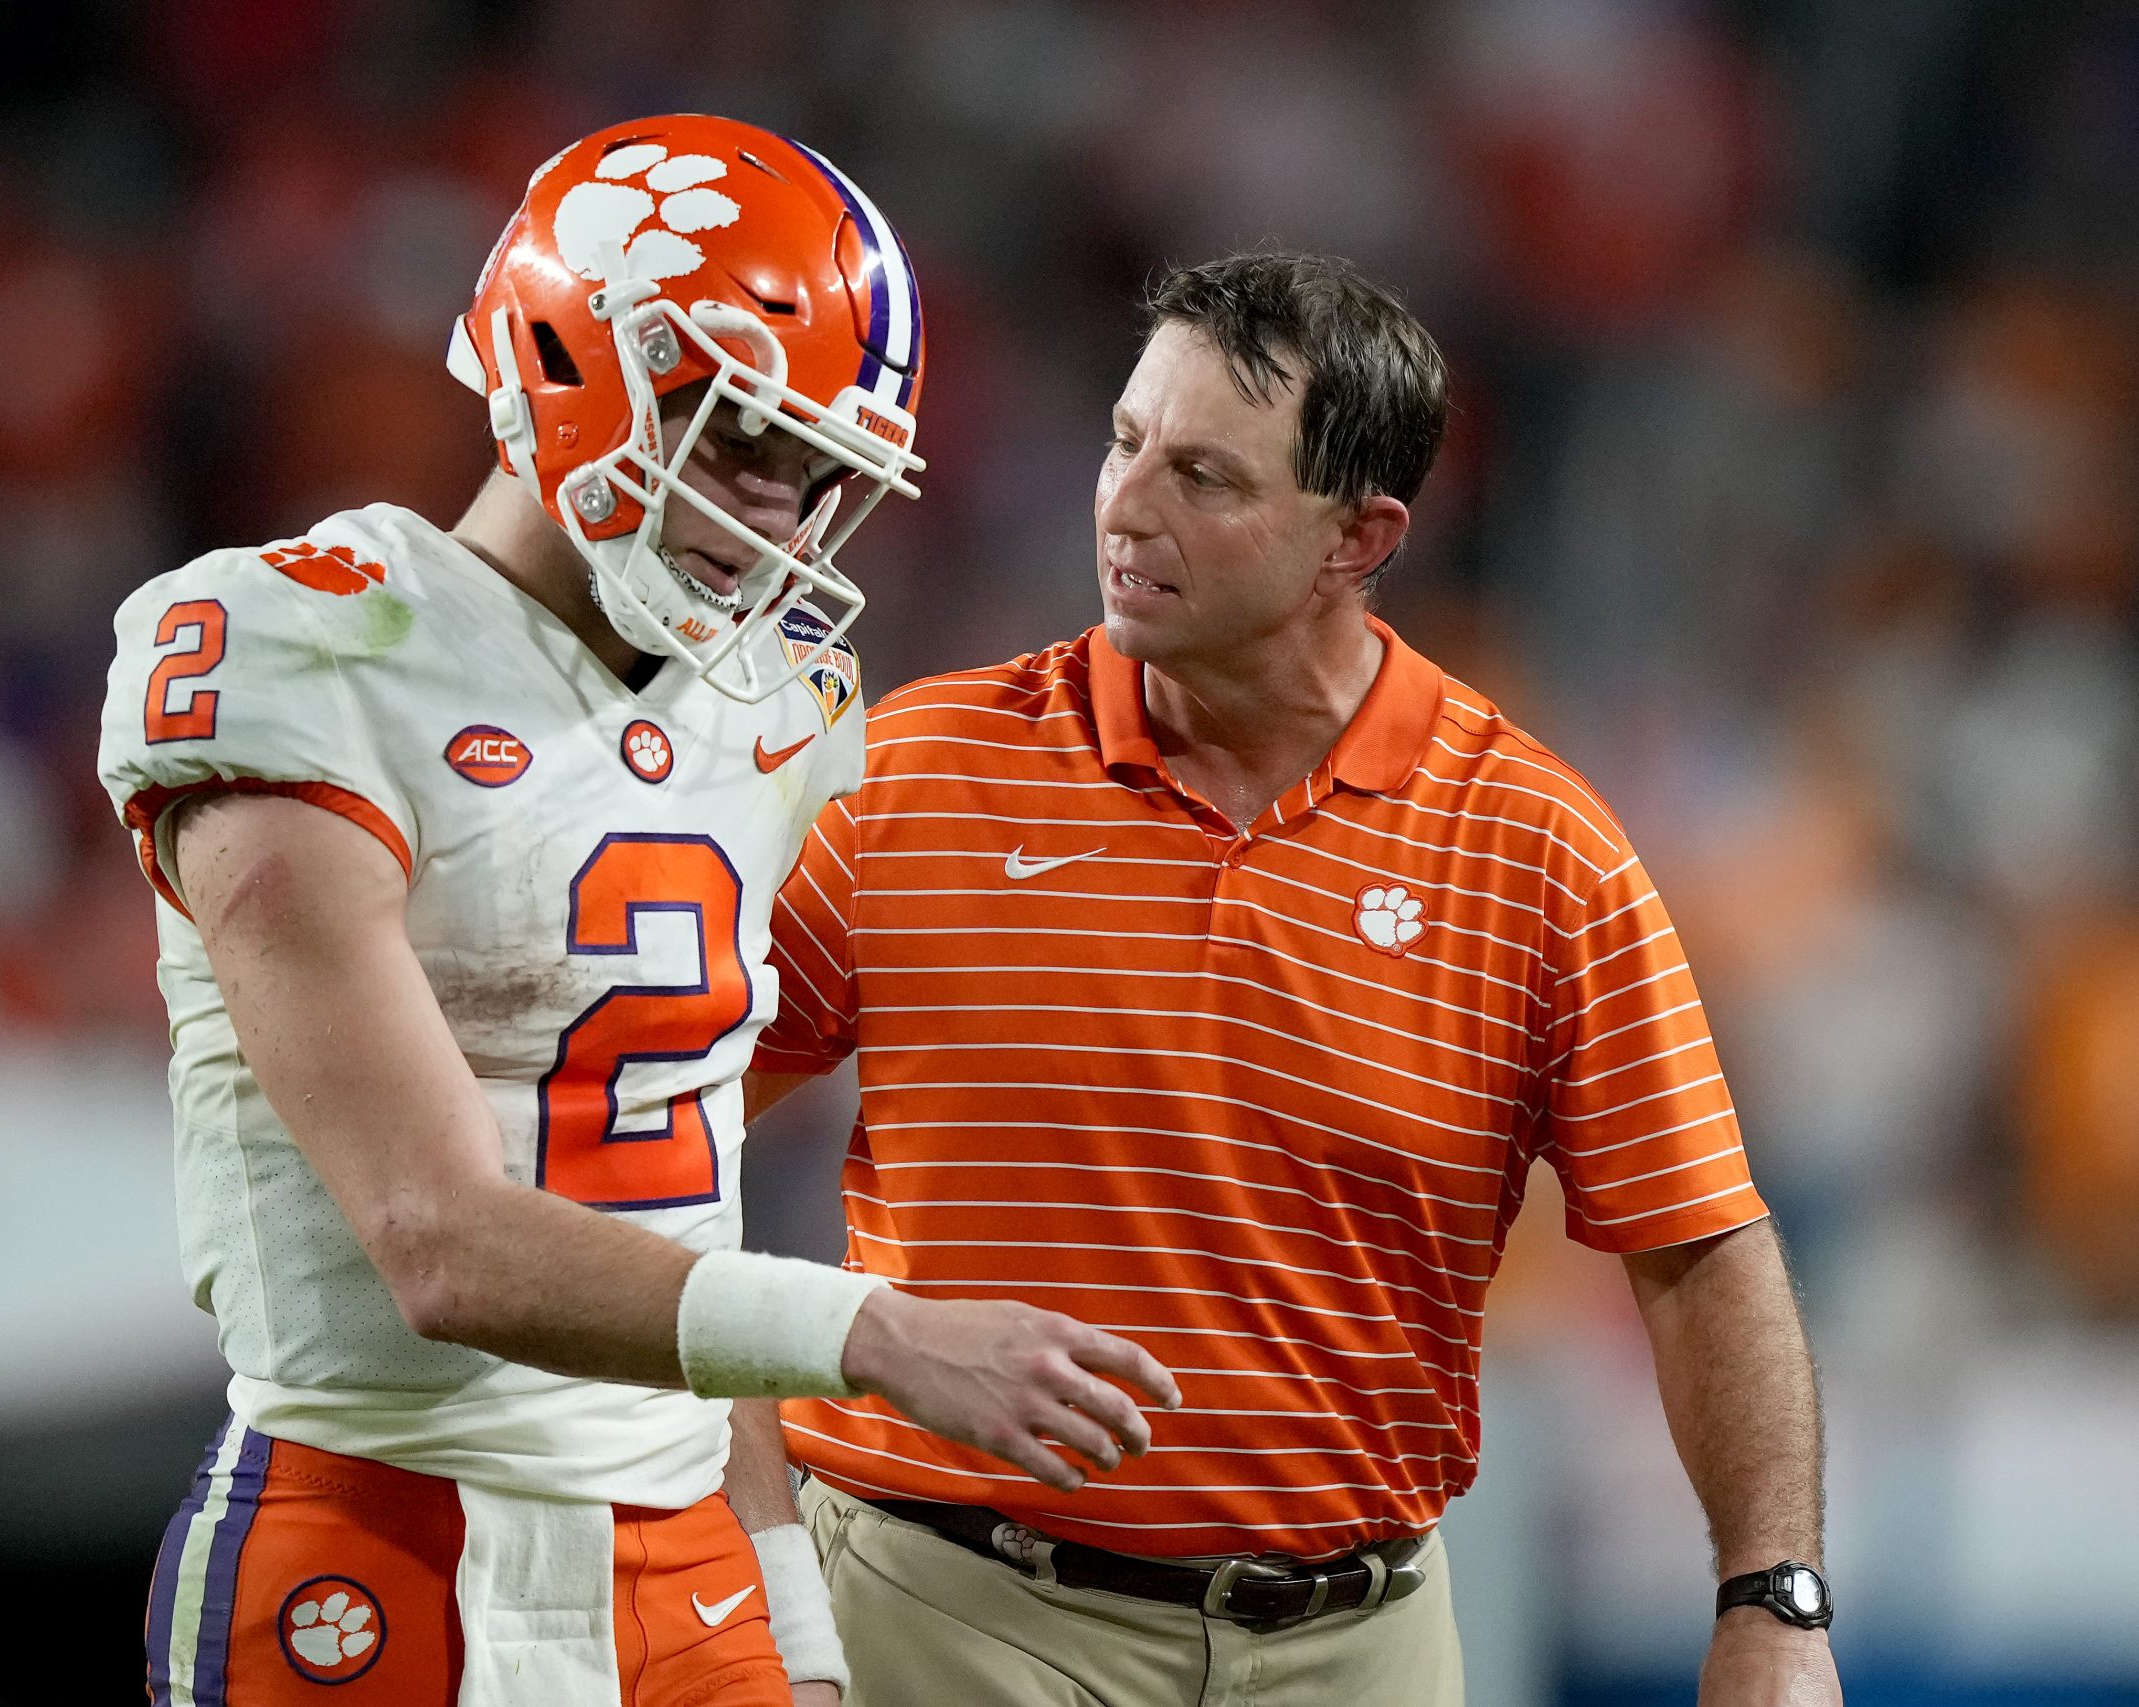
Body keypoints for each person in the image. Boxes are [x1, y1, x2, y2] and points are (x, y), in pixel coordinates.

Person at [95, 114, 1179, 1707]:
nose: (783, 520)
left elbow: (690, 1194)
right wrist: (875, 1332)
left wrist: (792, 1611)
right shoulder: (295, 653)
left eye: (822, 474)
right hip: (375, 1534)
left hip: (679, 1557)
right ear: (576, 358)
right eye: (746, 441)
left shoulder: (779, 706)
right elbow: (438, 1243)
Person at [738, 250, 1843, 1706]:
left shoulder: (1534, 848)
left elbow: (1701, 1252)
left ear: (1358, 537)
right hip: (941, 1616)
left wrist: (1773, 1602)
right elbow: (643, 1139)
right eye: (1126, 441)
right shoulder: (911, 778)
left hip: (1359, 1646)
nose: (1127, 506)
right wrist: (755, 1541)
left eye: (1206, 475)